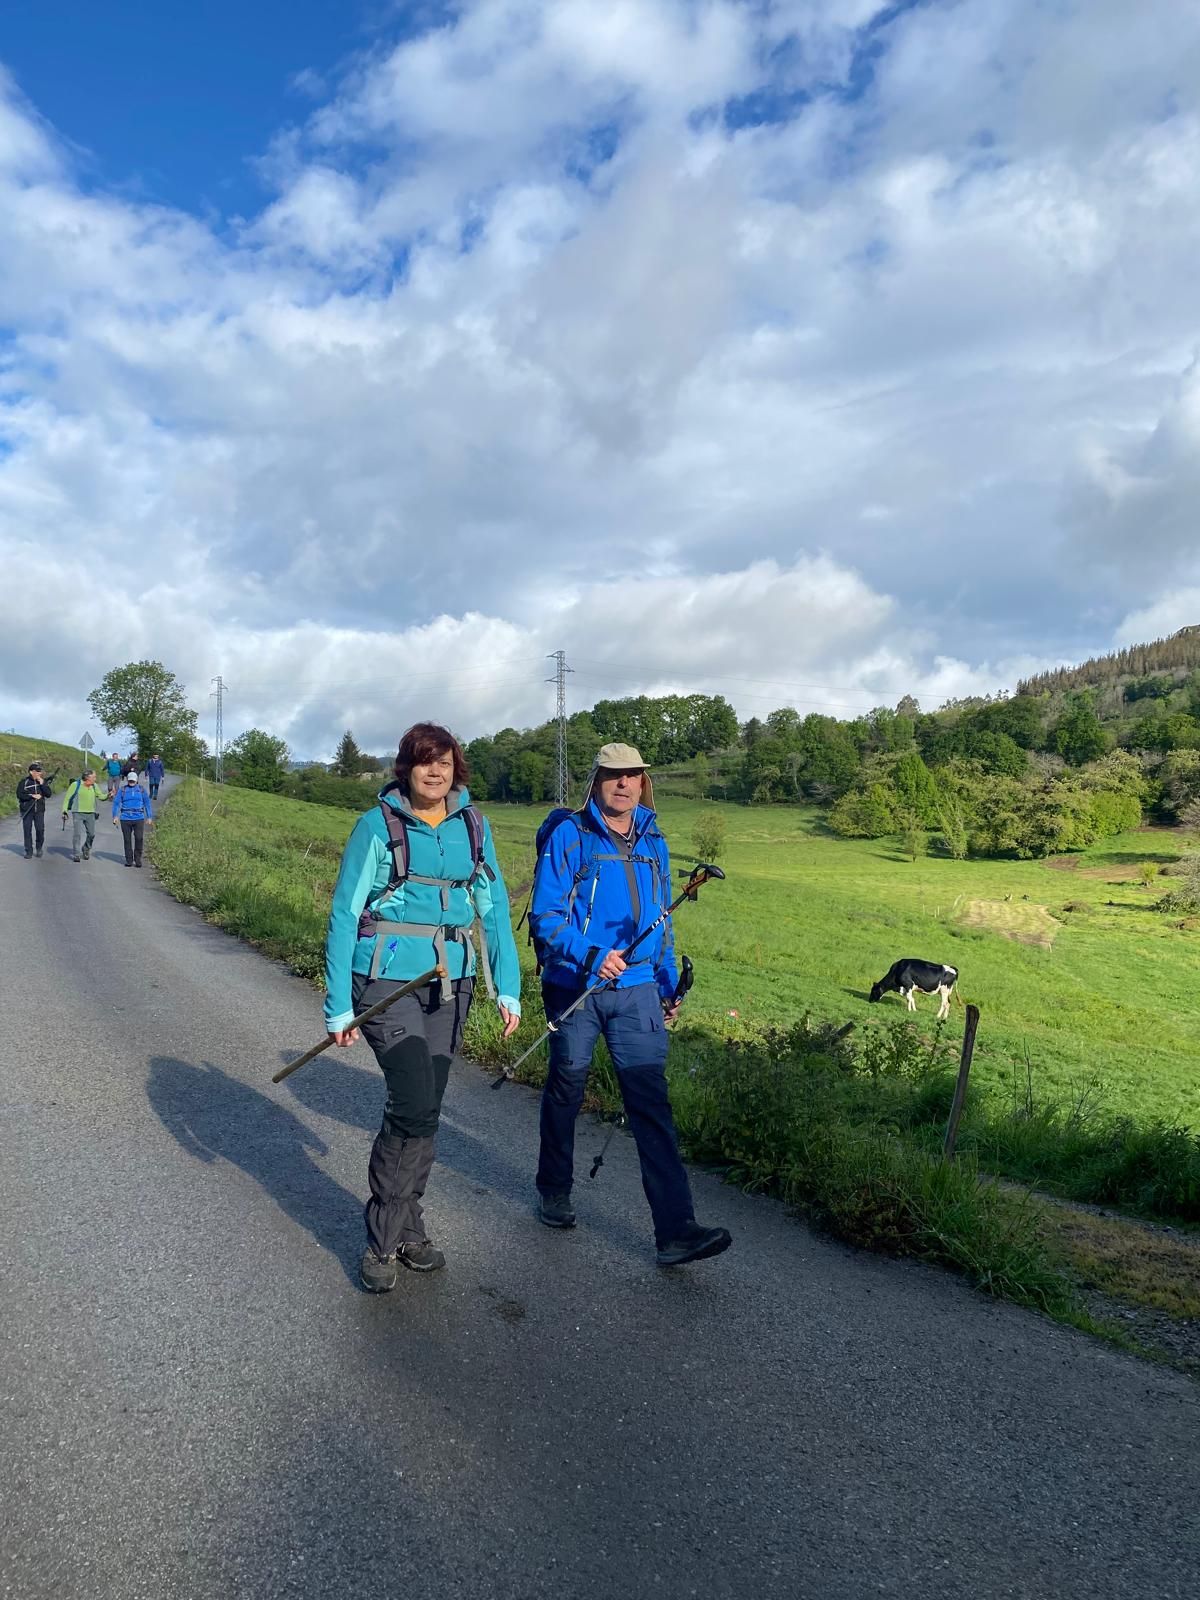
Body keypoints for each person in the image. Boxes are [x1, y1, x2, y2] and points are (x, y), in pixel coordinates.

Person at [325, 722, 522, 1294]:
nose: (434, 772)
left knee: (427, 1107)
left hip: (450, 984)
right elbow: (344, 913)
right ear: (406, 769)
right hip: (385, 983)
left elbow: (493, 912)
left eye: (444, 762)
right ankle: (383, 1236)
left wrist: (506, 988)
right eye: (423, 762)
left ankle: (410, 1226)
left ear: (455, 769)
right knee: (412, 1103)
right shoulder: (376, 827)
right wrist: (338, 1005)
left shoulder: (474, 827)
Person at [529, 742, 732, 1267]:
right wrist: (591, 953)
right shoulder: (569, 836)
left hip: (638, 986)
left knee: (651, 1103)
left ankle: (676, 1230)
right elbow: (546, 918)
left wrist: (666, 985)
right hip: (575, 984)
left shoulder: (654, 840)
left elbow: (661, 918)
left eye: (633, 775)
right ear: (596, 781)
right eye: (613, 775)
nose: (623, 784)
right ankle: (554, 1189)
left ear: (644, 782)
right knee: (566, 1089)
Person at [112, 770, 154, 866]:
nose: (131, 782)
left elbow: (147, 804)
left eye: (133, 781)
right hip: (125, 818)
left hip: (138, 817)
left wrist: (149, 817)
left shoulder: (142, 790)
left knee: (139, 838)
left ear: (137, 780)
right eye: (130, 780)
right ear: (127, 780)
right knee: (127, 840)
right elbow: (116, 803)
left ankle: (138, 859)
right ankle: (129, 860)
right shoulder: (122, 790)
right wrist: (115, 816)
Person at [16, 761, 53, 859]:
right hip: (26, 810)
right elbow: (19, 795)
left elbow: (48, 794)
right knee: (27, 830)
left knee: (40, 830)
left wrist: (42, 784)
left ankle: (39, 847)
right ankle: (28, 851)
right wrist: (32, 796)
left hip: (39, 810)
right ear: (31, 772)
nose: (39, 773)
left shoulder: (42, 781)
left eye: (40, 771)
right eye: (37, 771)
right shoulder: (24, 782)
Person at [62, 768, 101, 862]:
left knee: (91, 834)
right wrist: (64, 811)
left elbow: (101, 796)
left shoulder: (94, 786)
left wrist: (109, 795)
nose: (95, 778)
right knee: (77, 834)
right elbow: (67, 798)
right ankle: (76, 854)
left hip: (91, 813)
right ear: (88, 777)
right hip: (78, 812)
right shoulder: (75, 785)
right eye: (94, 777)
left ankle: (86, 849)